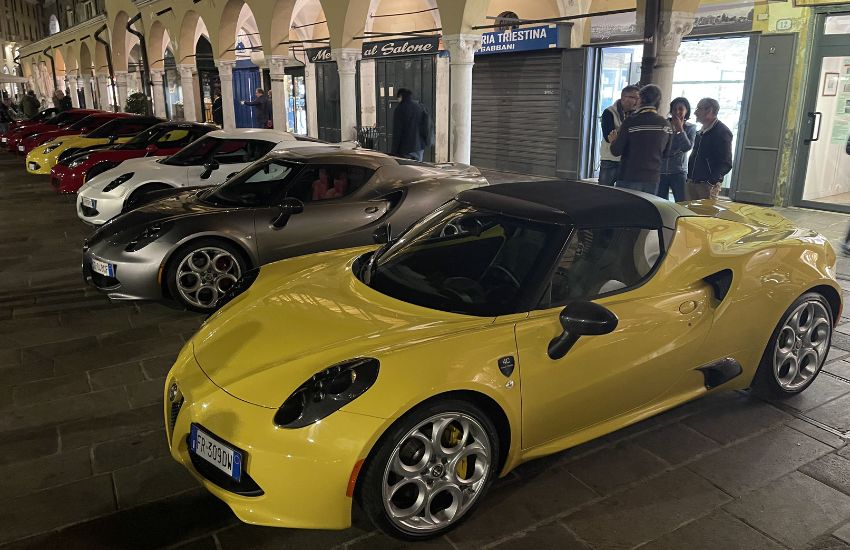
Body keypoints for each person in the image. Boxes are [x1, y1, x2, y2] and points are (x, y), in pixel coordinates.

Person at [609, 84, 672, 195]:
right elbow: (667, 153)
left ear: (640, 100)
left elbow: (616, 151)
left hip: (629, 176)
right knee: (646, 210)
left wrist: (613, 140)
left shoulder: (631, 121)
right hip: (652, 178)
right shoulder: (665, 124)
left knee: (626, 210)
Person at [686, 97, 733, 200]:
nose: (695, 112)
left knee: (705, 214)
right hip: (693, 182)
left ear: (709, 110)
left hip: (706, 186)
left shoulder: (722, 132)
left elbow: (726, 163)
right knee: (690, 214)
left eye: (699, 109)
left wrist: (711, 182)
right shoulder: (701, 132)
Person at [599, 85, 640, 186]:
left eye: (639, 98)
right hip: (610, 159)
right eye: (634, 98)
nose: (637, 101)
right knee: (604, 192)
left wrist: (620, 136)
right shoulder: (609, 112)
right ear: (623, 98)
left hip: (627, 161)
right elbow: (609, 137)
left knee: (623, 194)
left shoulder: (637, 115)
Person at [657, 97, 697, 201]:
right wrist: (673, 150)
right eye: (674, 109)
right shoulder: (664, 124)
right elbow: (659, 146)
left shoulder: (690, 128)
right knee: (661, 204)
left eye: (681, 109)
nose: (677, 112)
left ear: (686, 111)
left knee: (682, 202)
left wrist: (680, 129)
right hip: (661, 171)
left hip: (679, 172)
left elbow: (687, 147)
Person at [391, 88, 430, 161]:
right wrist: (425, 142)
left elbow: (397, 132)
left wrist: (394, 151)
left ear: (400, 96)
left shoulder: (399, 109)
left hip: (405, 149)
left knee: (407, 170)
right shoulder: (420, 107)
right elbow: (426, 127)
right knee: (418, 169)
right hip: (419, 147)